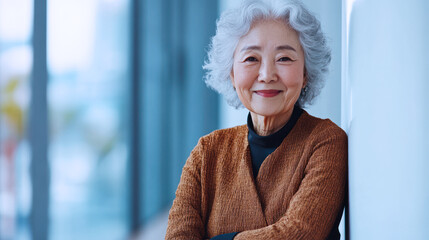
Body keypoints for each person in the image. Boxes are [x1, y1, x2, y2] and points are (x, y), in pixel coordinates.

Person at [165, 0, 347, 239]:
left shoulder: (326, 141)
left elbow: (299, 233)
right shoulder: (206, 152)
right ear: (231, 73)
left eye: (284, 58)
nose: (267, 75)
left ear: (305, 73)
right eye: (251, 58)